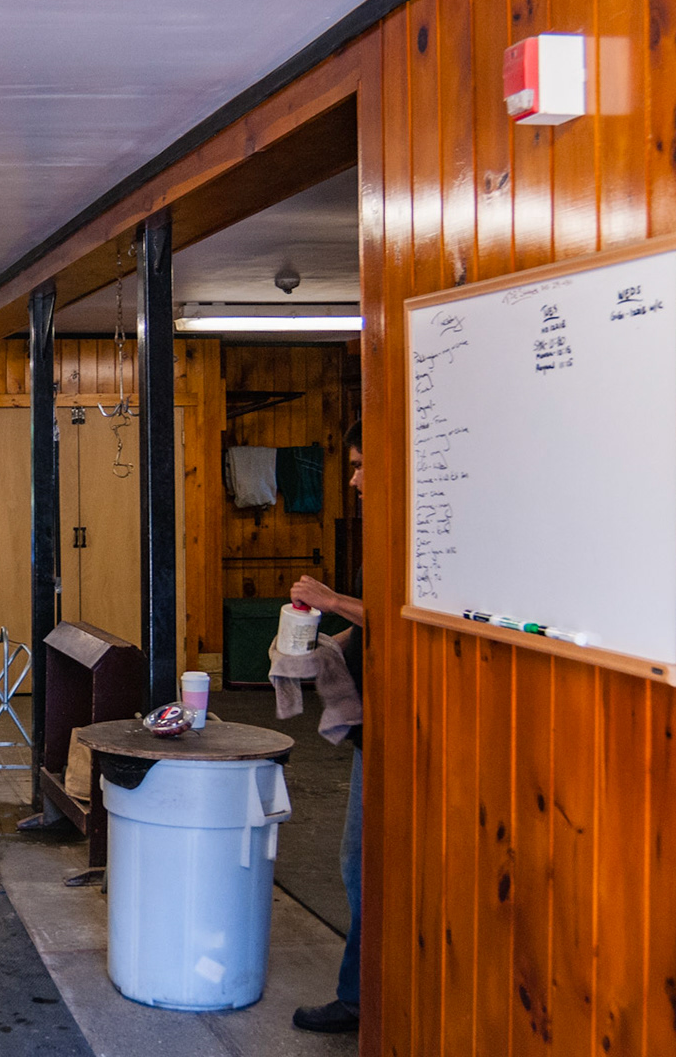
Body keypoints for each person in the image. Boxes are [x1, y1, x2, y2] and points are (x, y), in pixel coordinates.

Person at [288, 422, 365, 1034]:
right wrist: (317, 650)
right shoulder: (389, 531)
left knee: (359, 862)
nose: (354, 479)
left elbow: (403, 616)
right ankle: (364, 991)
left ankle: (360, 996)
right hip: (377, 731)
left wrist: (331, 598)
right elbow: (373, 628)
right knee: (357, 861)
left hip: (403, 730)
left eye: (364, 465)